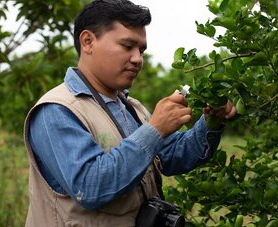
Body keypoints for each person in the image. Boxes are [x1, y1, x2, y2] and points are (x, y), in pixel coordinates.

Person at [23, 0, 237, 226]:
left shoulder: (130, 107)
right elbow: (89, 187)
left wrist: (211, 122)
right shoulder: (56, 110)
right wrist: (154, 129)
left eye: (141, 50)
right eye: (127, 46)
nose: (138, 59)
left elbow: (171, 157)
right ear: (87, 42)